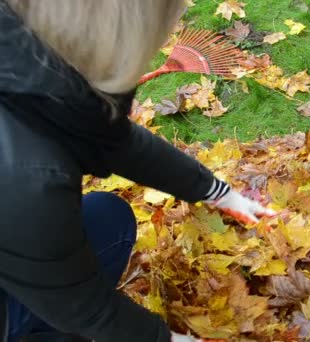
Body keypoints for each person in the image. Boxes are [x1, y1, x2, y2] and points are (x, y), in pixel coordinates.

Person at [0, 1, 275, 341]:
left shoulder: (21, 51)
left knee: (110, 217)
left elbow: (108, 137)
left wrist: (219, 192)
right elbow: (85, 308)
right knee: (75, 324)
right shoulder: (28, 179)